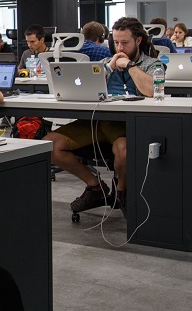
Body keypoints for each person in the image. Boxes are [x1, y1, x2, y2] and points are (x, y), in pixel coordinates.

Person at [45, 17, 160, 216]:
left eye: (125, 42)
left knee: (123, 151)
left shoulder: (152, 63)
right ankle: (95, 186)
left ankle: (122, 191)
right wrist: (110, 67)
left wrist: (130, 65)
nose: (120, 47)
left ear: (138, 41)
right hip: (98, 121)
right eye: (116, 42)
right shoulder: (106, 63)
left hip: (127, 124)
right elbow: (84, 88)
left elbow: (151, 90)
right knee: (50, 144)